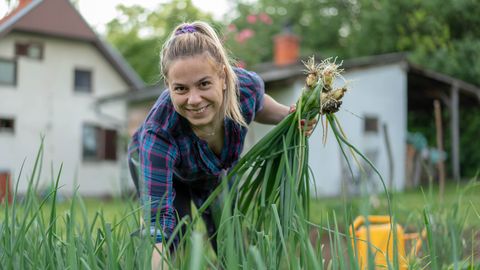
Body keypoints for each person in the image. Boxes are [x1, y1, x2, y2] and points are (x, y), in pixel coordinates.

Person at [128, 21, 316, 268]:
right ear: (168, 86)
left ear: (224, 77)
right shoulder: (159, 133)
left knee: (229, 237)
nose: (194, 99)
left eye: (204, 84)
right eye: (181, 89)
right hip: (163, 170)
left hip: (212, 173)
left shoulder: (245, 88)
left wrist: (289, 117)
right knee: (175, 237)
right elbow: (158, 227)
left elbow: (259, 104)